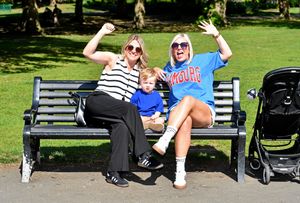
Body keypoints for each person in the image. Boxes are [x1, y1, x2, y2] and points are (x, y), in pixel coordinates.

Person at [152, 20, 233, 189]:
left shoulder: (203, 60)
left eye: (183, 45)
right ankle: (180, 172)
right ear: (172, 50)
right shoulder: (170, 68)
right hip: (179, 116)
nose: (179, 48)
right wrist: (155, 69)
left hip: (203, 112)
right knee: (185, 120)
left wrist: (216, 34)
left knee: (188, 99)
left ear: (189, 48)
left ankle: (165, 139)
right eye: (175, 45)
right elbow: (148, 77)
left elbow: (226, 53)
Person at [83, 23, 163, 188]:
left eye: (138, 49)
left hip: (114, 114)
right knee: (129, 108)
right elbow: (87, 53)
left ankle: (114, 172)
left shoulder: (139, 72)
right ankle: (143, 155)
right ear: (125, 48)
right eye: (130, 47)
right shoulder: (113, 59)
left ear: (141, 53)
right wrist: (102, 32)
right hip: (98, 102)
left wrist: (155, 69)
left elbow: (151, 76)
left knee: (122, 128)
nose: (133, 50)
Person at [130, 68, 165, 132]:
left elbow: (159, 109)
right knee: (138, 119)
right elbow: (133, 108)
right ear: (140, 83)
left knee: (161, 120)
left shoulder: (156, 95)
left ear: (154, 84)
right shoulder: (137, 94)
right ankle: (147, 124)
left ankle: (152, 125)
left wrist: (156, 115)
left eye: (151, 83)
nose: (148, 85)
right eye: (145, 83)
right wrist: (138, 115)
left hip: (152, 118)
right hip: (141, 116)